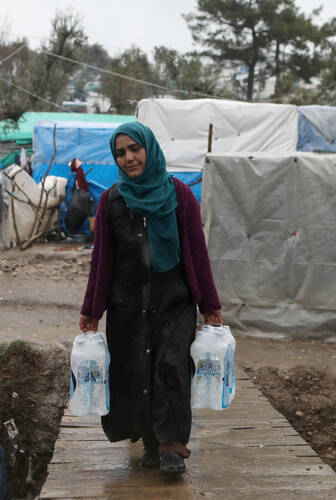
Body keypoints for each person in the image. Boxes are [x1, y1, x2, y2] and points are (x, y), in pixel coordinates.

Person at [79, 122, 222, 476]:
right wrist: (92, 310)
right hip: (127, 301)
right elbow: (102, 260)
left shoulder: (180, 195)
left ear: (149, 149)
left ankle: (173, 444)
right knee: (136, 370)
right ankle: (150, 441)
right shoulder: (111, 200)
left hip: (173, 297)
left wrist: (210, 304)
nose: (128, 158)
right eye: (120, 153)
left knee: (171, 366)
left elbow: (196, 252)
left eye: (134, 149)